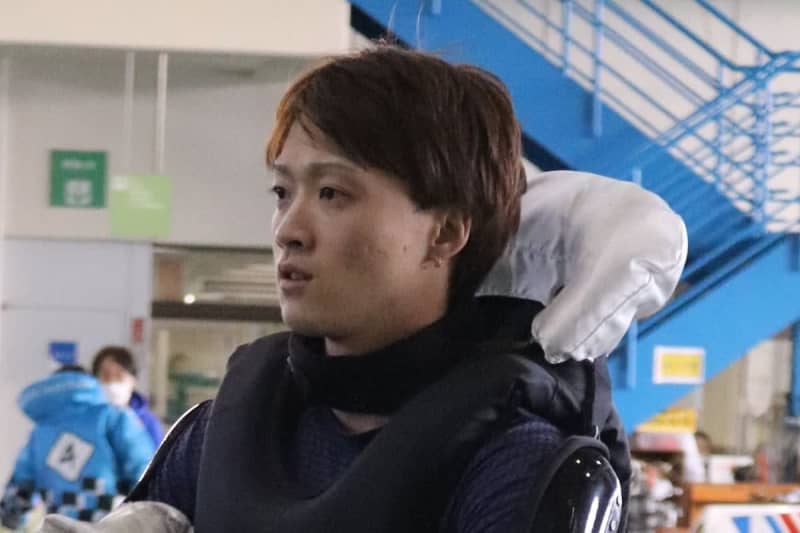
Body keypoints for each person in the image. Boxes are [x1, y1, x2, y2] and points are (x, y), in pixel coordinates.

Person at [111, 44, 637, 533]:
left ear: (445, 234)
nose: (288, 229)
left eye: (332, 193)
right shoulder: (218, 436)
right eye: (282, 192)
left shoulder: (513, 466)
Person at [0, 365, 155, 529]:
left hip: (59, 527)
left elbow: (18, 493)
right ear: (90, 383)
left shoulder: (39, 433)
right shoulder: (111, 417)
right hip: (109, 525)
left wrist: (13, 517)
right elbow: (142, 467)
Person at [92, 346, 164, 448]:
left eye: (119, 376)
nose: (112, 382)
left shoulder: (148, 423)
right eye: (106, 375)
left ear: (133, 381)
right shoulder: (86, 418)